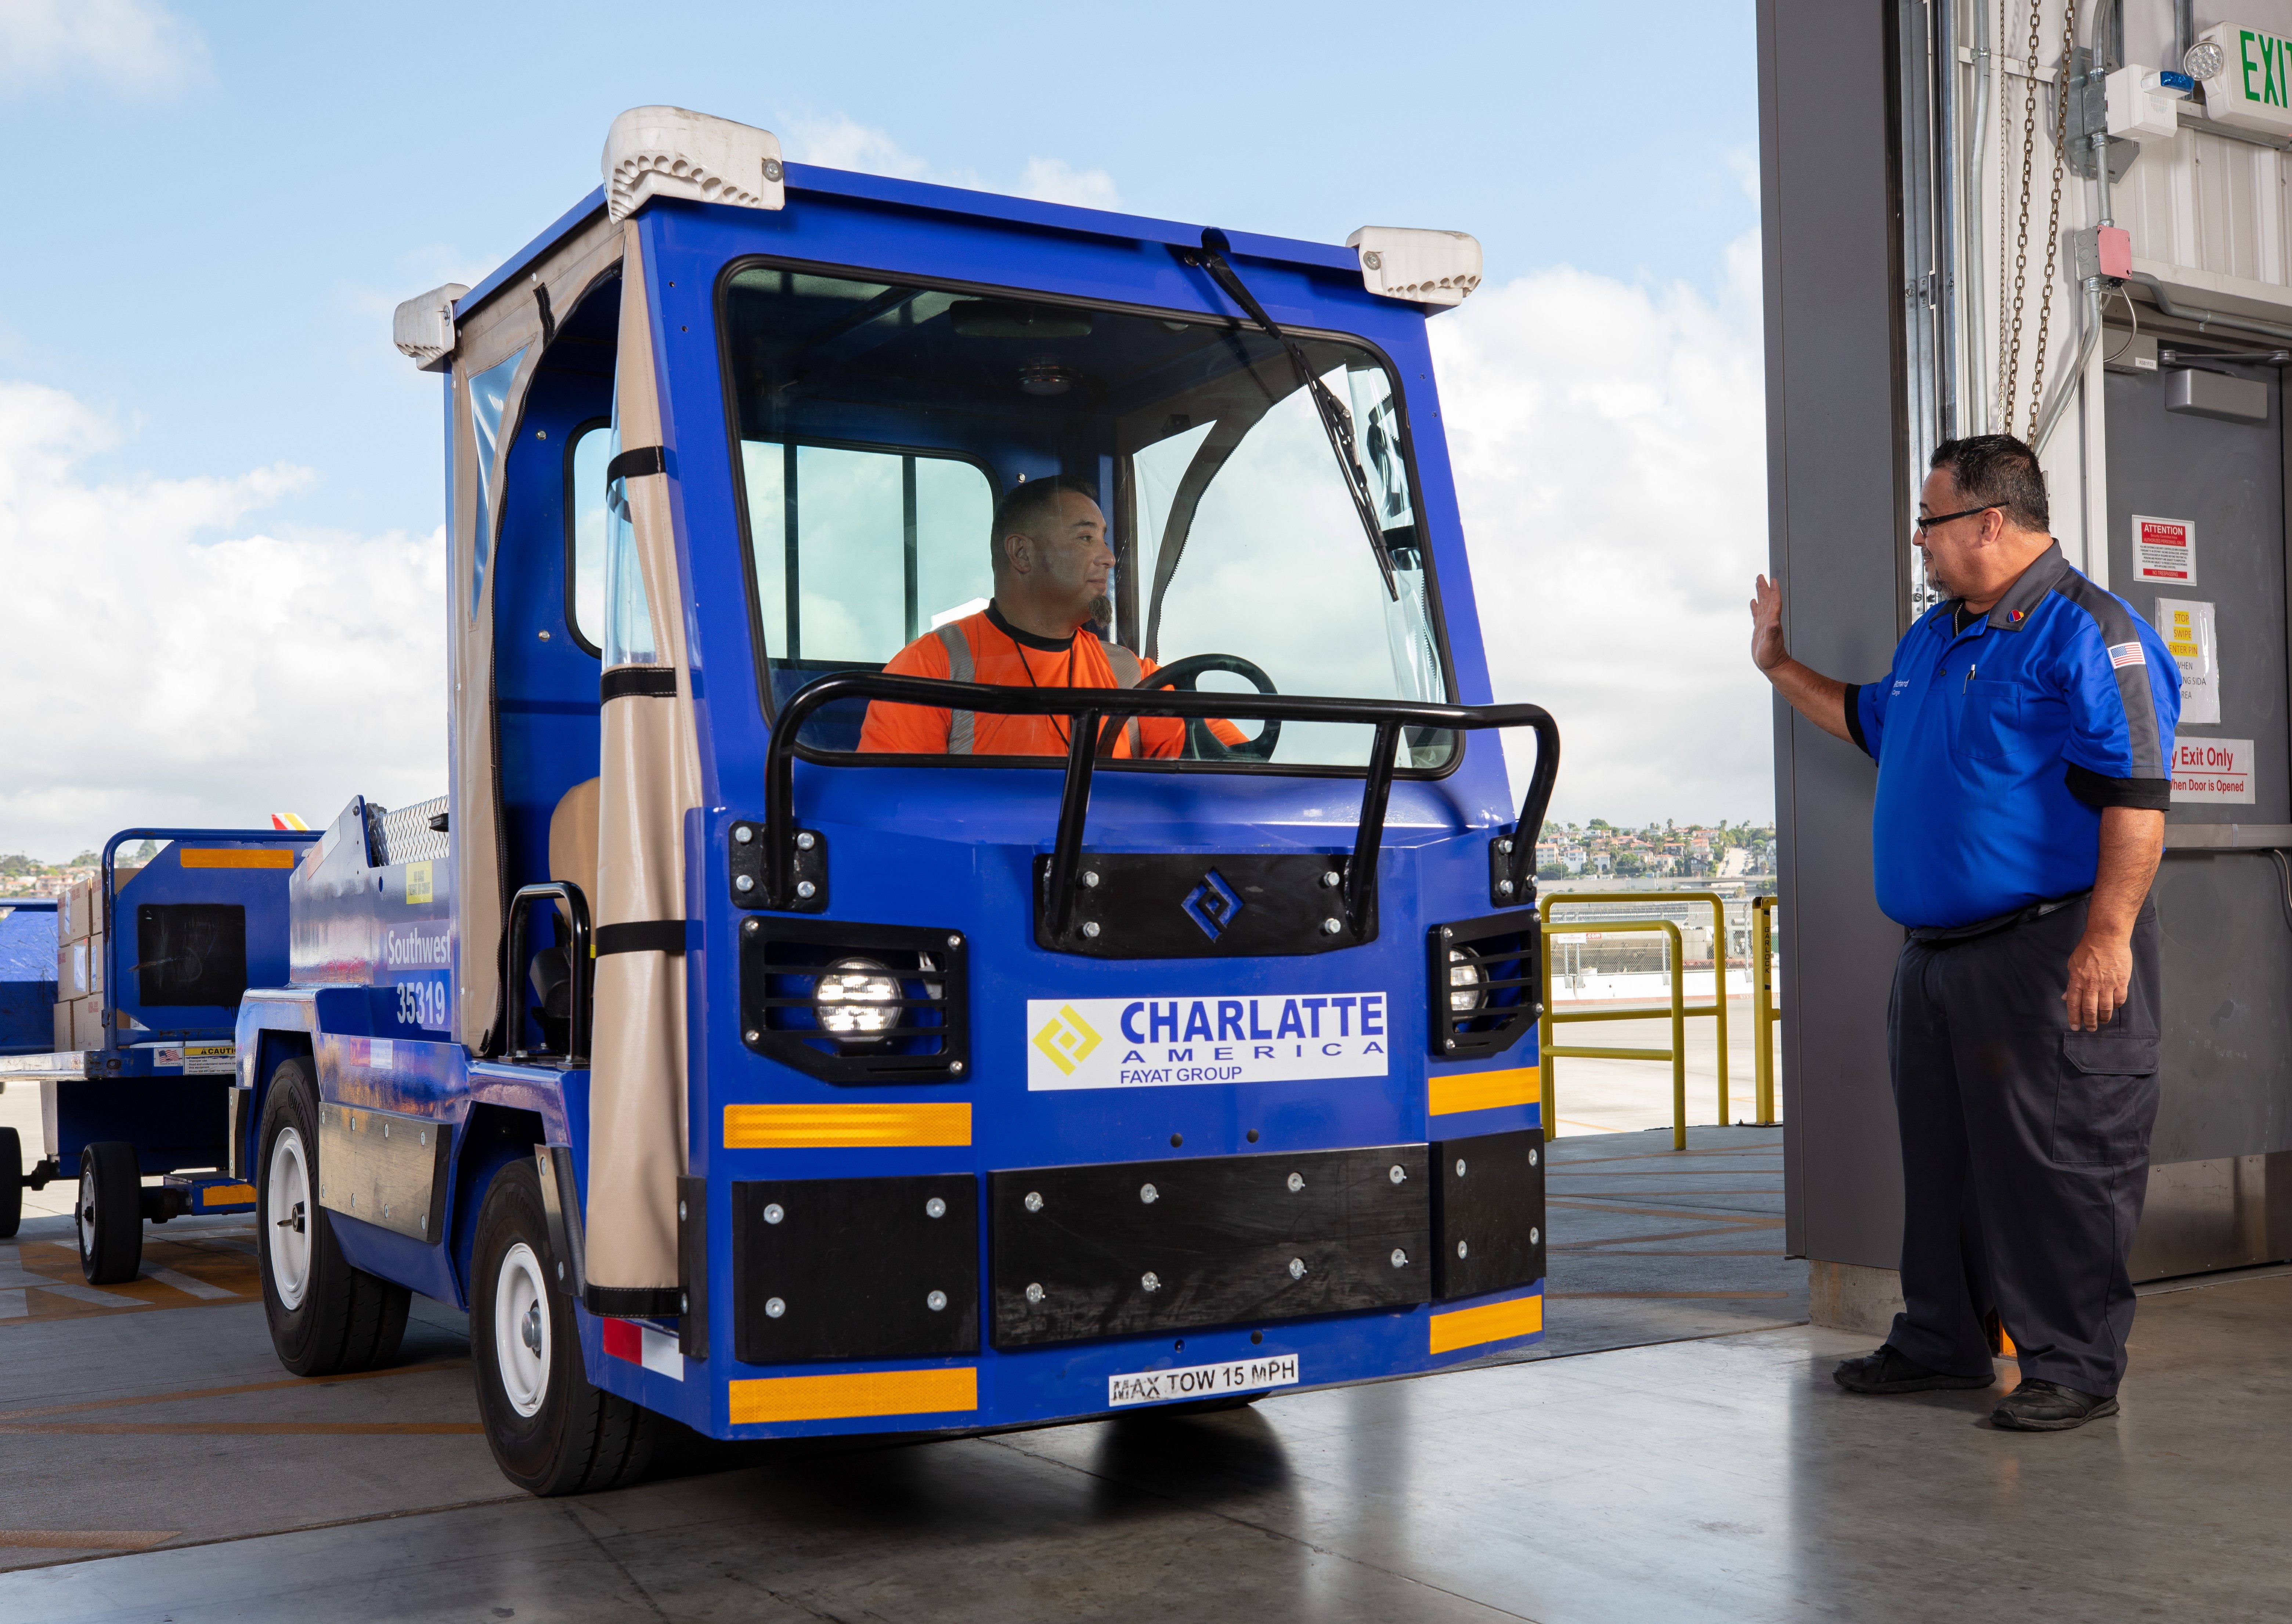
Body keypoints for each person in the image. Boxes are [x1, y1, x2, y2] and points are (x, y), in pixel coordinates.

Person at [1750, 433, 2180, 1433]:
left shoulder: (2089, 630)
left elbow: (2137, 797)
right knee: (1942, 1163)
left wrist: (2107, 935)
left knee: (2059, 1162)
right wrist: (1775, 665)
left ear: (1989, 521)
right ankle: (1942, 1338)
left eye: (1929, 520)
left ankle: (2072, 1364)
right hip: (1935, 958)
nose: (1919, 539)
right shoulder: (1933, 638)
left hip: (2047, 947)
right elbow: (1864, 718)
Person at [859, 474, 1244, 756]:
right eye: (1086, 538)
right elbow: (892, 808)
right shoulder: (930, 668)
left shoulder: (1129, 675)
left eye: (1104, 539)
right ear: (1021, 554)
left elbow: (1233, 759)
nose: (1109, 558)